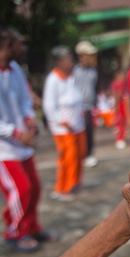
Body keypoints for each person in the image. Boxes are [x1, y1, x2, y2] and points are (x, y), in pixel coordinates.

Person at [0, 28, 57, 253]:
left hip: (20, 143)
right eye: (19, 44)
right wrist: (16, 133)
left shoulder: (15, 69)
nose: (23, 48)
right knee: (21, 189)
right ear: (7, 45)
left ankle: (31, 225)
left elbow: (25, 100)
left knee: (34, 187)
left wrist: (29, 119)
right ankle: (15, 230)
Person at [43, 46, 87, 202]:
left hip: (77, 125)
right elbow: (49, 106)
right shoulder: (53, 79)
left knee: (79, 154)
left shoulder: (70, 77)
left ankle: (75, 182)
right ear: (59, 61)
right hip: (63, 128)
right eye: (69, 59)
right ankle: (61, 188)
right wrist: (61, 121)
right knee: (67, 158)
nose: (72, 61)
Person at [74, 40, 100, 168]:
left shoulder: (93, 71)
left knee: (89, 133)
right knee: (81, 134)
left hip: (89, 107)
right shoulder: (75, 71)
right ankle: (82, 156)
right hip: (79, 108)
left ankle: (89, 155)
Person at [110, 70, 127, 149]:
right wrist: (116, 104)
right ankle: (119, 139)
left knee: (124, 122)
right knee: (120, 122)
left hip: (124, 104)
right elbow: (116, 94)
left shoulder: (124, 83)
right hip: (119, 104)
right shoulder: (115, 84)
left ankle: (122, 137)